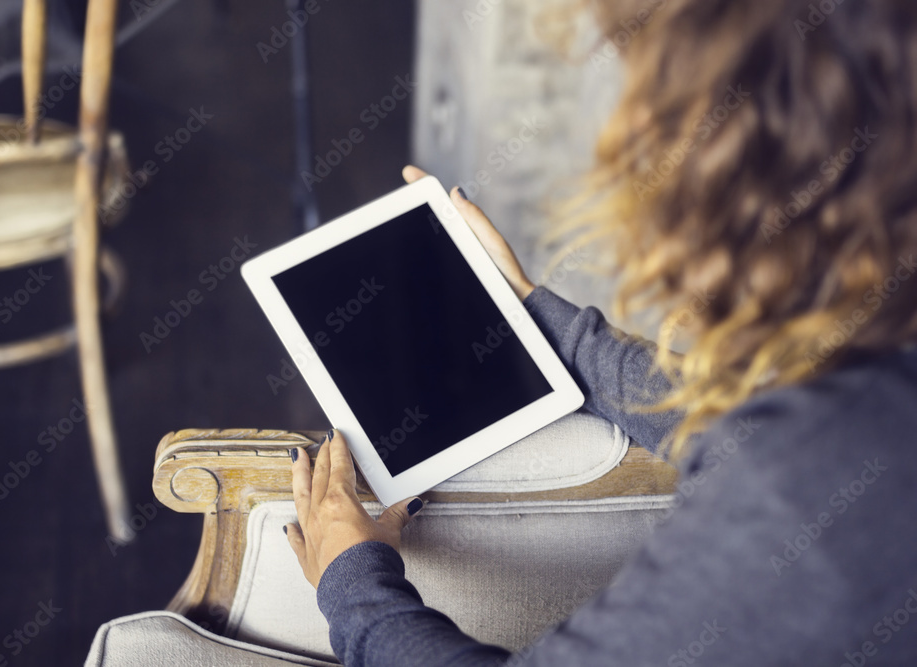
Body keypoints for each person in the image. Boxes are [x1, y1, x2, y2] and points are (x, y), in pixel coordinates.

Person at [284, 1, 917, 664]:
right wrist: (535, 315)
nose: (626, 132)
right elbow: (753, 429)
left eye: (653, 100)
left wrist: (353, 581)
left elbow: (790, 459)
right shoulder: (862, 405)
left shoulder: (798, 498)